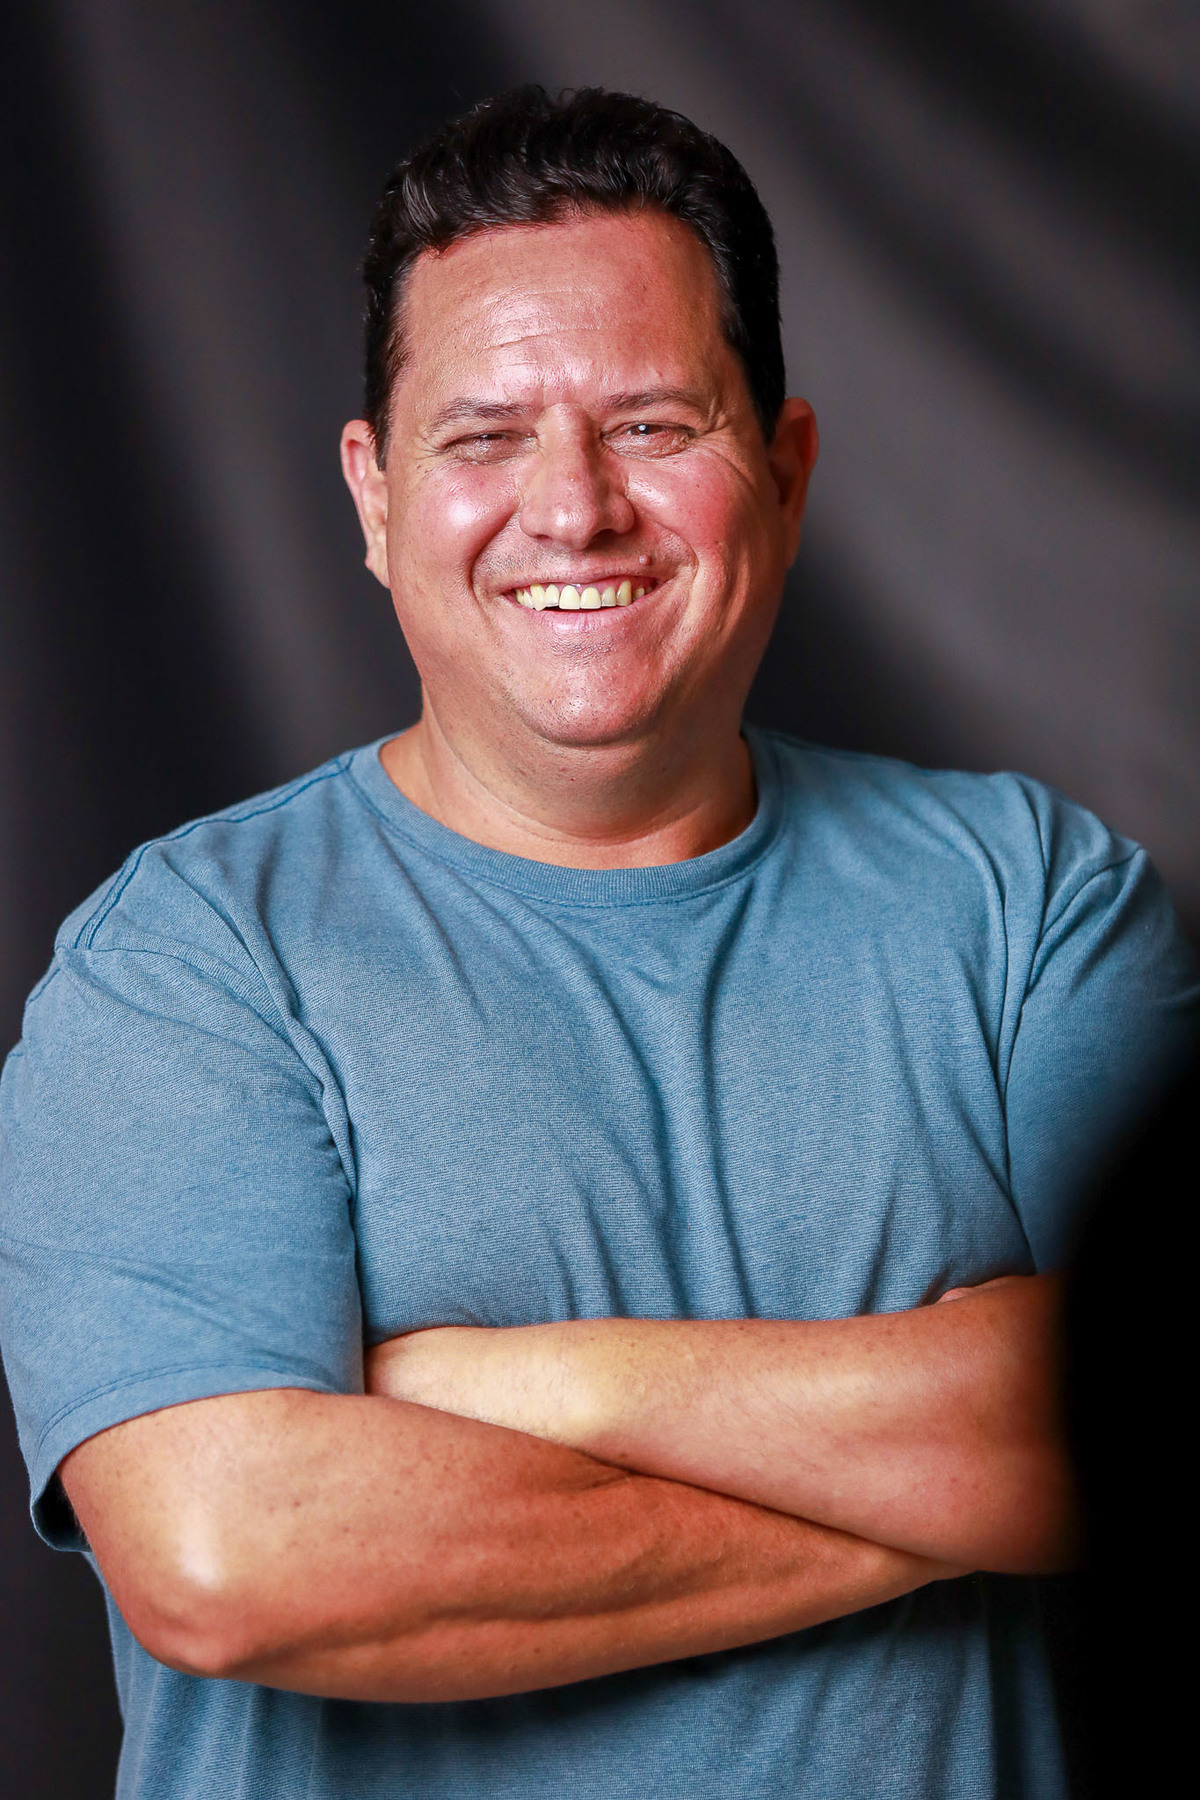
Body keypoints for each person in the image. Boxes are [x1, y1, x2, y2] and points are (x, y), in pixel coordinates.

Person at [0, 86, 1195, 1800]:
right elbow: (228, 1556)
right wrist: (959, 1492)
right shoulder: (189, 966)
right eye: (485, 437)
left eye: (651, 423)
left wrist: (533, 1387)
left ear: (785, 469)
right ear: (374, 496)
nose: (573, 509)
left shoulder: (1029, 901)